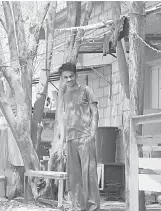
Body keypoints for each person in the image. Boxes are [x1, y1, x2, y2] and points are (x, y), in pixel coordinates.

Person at [59, 62, 100, 211]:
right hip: (70, 140)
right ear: (62, 78)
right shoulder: (65, 95)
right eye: (66, 77)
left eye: (71, 76)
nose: (69, 79)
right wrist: (63, 142)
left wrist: (92, 133)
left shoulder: (86, 91)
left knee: (89, 175)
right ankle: (77, 207)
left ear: (76, 75)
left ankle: (93, 208)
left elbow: (94, 112)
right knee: (74, 178)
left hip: (85, 138)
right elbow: (65, 119)